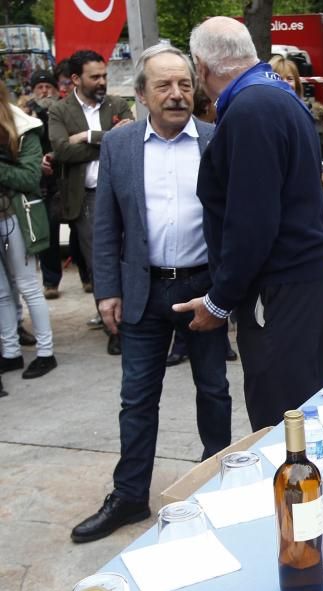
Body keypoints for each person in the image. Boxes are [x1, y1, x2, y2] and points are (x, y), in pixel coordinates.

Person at [72, 45, 233, 544]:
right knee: (137, 398)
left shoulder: (215, 140)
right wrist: (107, 292)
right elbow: (107, 226)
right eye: (163, 85)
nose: (176, 94)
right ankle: (129, 496)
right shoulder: (120, 146)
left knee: (214, 391)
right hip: (142, 290)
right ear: (141, 94)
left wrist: (226, 292)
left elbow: (231, 223)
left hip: (201, 288)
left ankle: (218, 484)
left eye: (184, 84)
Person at [177, 17, 323, 431]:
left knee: (280, 414)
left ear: (202, 65)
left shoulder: (252, 108)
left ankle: (294, 494)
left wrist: (219, 300)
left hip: (278, 285)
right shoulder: (274, 97)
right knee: (301, 403)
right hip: (295, 280)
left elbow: (252, 222)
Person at [48, 50, 134, 355]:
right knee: (101, 263)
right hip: (86, 198)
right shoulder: (59, 111)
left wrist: (86, 136)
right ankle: (116, 328)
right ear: (75, 79)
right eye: (94, 77)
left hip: (123, 194)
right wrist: (107, 140)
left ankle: (133, 316)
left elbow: (130, 142)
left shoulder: (117, 103)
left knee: (130, 256)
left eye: (104, 76)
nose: (102, 82)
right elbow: (60, 151)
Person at [0, 79, 58, 380]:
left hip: (16, 216)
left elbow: (29, 178)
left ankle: (46, 352)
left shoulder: (23, 127)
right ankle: (10, 352)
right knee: (1, 292)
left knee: (28, 286)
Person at [25, 70, 63, 300]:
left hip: (65, 175)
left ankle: (87, 277)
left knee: (80, 234)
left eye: (48, 86)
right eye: (39, 87)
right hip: (40, 181)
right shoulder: (26, 112)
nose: (44, 91)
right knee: (48, 228)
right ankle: (51, 281)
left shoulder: (63, 109)